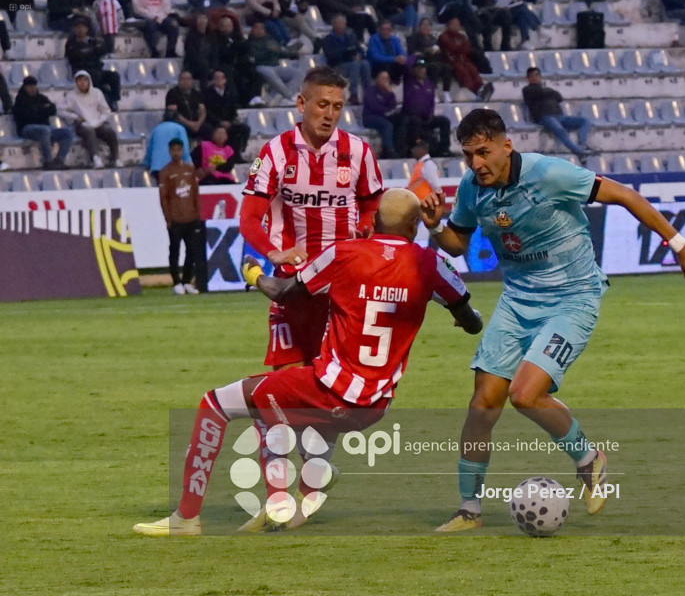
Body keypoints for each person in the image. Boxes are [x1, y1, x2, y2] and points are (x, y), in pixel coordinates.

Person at [132, 187, 483, 536]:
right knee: (279, 410)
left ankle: (189, 518)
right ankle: (299, 496)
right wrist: (458, 314)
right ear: (414, 228)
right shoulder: (431, 264)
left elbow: (282, 292)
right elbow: (472, 322)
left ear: (374, 221)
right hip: (375, 406)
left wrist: (253, 274)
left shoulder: (344, 253)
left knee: (218, 404)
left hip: (328, 388)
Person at [419, 109, 685, 532]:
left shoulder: (549, 174)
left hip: (572, 297)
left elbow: (625, 195)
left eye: (483, 152)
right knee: (482, 404)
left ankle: (590, 459)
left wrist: (679, 244)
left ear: (505, 145)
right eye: (468, 155)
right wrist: (436, 226)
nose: (477, 163)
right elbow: (457, 245)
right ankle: (469, 510)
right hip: (517, 301)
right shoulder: (470, 187)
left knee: (525, 394)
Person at [239, 65, 384, 371]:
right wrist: (273, 253)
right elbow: (249, 218)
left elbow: (373, 204)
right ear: (302, 104)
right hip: (292, 284)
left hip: (343, 284)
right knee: (287, 381)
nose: (329, 115)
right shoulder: (275, 153)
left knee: (340, 381)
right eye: (322, 105)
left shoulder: (358, 152)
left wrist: (365, 226)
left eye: (337, 107)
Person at [158, 137, 207, 295]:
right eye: (173, 150)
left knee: (192, 250)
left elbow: (195, 194)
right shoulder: (165, 171)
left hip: (191, 218)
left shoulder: (189, 169)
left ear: (182, 151)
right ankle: (176, 282)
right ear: (170, 151)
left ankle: (187, 281)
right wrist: (168, 218)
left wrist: (197, 214)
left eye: (179, 149)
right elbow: (163, 198)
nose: (176, 153)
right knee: (175, 250)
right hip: (175, 218)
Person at [522, 67, 593, 164]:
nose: (535, 77)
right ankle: (580, 153)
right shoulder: (527, 90)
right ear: (528, 78)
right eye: (532, 75)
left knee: (585, 121)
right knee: (561, 131)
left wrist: (546, 93)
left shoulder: (547, 90)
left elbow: (559, 97)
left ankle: (582, 145)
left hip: (559, 116)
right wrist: (547, 93)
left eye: (537, 75)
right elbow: (543, 93)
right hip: (544, 116)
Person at [61, 70, 121, 169]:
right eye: (79, 81)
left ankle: (115, 158)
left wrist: (99, 120)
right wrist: (75, 117)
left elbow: (106, 111)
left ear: (89, 81)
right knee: (89, 131)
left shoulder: (97, 93)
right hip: (83, 123)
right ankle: (95, 158)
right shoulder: (71, 95)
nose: (82, 83)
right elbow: (61, 110)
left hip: (98, 122)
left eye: (85, 80)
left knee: (110, 132)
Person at [12, 76, 74, 170]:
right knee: (44, 131)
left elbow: (52, 109)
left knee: (67, 132)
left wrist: (38, 111)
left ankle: (60, 160)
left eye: (34, 86)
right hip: (27, 128)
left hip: (46, 127)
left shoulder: (41, 98)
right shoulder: (20, 100)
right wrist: (43, 110)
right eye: (29, 87)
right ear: (25, 87)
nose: (32, 89)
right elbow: (27, 116)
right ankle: (48, 162)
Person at [65, 15, 122, 112]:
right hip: (81, 71)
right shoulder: (71, 43)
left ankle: (113, 100)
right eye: (78, 27)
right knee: (94, 77)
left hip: (96, 69)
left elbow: (102, 50)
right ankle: (104, 97)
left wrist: (90, 48)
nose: (80, 29)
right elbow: (76, 56)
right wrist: (91, 50)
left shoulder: (92, 41)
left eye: (83, 27)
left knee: (114, 76)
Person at [402, 60, 453, 158]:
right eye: (418, 68)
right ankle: (412, 149)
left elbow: (431, 103)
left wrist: (430, 114)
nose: (420, 70)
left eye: (422, 67)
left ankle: (444, 149)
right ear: (413, 70)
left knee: (444, 121)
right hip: (413, 116)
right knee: (414, 121)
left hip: (427, 117)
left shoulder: (429, 84)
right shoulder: (408, 82)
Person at [244, 21, 302, 107]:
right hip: (261, 66)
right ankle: (289, 96)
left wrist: (293, 53)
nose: (259, 30)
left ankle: (286, 96)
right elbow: (254, 57)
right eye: (256, 27)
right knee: (272, 75)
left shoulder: (271, 40)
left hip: (276, 66)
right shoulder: (249, 43)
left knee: (298, 73)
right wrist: (269, 51)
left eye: (261, 28)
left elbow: (281, 52)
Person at [438, 16, 494, 103]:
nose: (456, 26)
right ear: (448, 25)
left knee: (473, 70)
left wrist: (460, 48)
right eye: (453, 24)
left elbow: (467, 48)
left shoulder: (461, 36)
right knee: (463, 72)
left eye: (457, 24)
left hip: (464, 59)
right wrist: (461, 47)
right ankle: (476, 91)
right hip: (453, 61)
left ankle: (482, 88)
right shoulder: (444, 36)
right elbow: (452, 47)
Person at [321, 14, 371, 105]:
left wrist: (359, 54)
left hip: (352, 63)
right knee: (355, 64)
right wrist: (347, 53)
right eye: (337, 23)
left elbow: (359, 49)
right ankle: (353, 94)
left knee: (365, 63)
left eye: (342, 23)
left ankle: (368, 94)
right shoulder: (327, 39)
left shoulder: (351, 36)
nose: (340, 25)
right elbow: (330, 56)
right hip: (337, 66)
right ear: (333, 24)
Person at [202, 68, 251, 159]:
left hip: (228, 121)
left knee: (244, 128)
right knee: (209, 129)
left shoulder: (230, 93)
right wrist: (220, 122)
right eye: (217, 78)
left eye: (221, 77)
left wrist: (232, 120)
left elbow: (233, 109)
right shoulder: (207, 93)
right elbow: (207, 111)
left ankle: (238, 153)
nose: (219, 80)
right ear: (213, 80)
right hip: (214, 122)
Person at [362, 70, 410, 159]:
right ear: (377, 79)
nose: (385, 80)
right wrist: (386, 111)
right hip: (370, 117)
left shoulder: (388, 93)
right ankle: (388, 149)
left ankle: (400, 149)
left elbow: (393, 105)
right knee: (387, 125)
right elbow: (373, 106)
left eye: (386, 78)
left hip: (385, 116)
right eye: (382, 78)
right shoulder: (371, 91)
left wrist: (390, 93)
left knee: (402, 122)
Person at [407, 17, 453, 104]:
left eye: (428, 25)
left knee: (447, 67)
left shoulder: (433, 39)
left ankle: (446, 91)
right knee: (434, 67)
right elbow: (412, 52)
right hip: (420, 61)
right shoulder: (413, 38)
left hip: (433, 59)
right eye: (424, 24)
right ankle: (433, 91)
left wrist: (438, 51)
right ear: (419, 26)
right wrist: (426, 51)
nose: (426, 27)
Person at [165, 70, 213, 141]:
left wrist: (198, 124)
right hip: (180, 123)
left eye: (188, 79)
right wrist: (189, 124)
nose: (186, 81)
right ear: (179, 81)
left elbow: (202, 111)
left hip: (196, 123)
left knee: (209, 129)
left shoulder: (196, 94)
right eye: (183, 79)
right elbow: (174, 113)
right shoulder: (172, 93)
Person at [142, 113, 191, 180]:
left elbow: (150, 149)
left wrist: (147, 163)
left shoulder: (156, 129)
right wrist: (189, 164)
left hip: (158, 167)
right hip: (175, 165)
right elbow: (184, 149)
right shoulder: (180, 128)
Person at [366, 20, 408, 85]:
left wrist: (402, 58)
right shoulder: (374, 39)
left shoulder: (395, 39)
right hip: (377, 66)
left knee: (406, 66)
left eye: (388, 29)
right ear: (379, 30)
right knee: (386, 66)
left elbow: (402, 52)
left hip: (393, 64)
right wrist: (393, 59)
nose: (386, 32)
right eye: (383, 29)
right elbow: (376, 57)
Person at [183, 12, 215, 86]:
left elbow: (215, 53)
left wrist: (213, 66)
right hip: (193, 66)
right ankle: (204, 92)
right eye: (200, 18)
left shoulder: (212, 36)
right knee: (204, 68)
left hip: (209, 66)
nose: (202, 20)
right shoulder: (190, 36)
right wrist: (204, 63)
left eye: (204, 18)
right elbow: (190, 54)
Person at [407, 137, 443, 202]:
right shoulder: (420, 164)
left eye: (415, 148)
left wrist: (439, 201)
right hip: (418, 201)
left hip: (424, 201)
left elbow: (434, 184)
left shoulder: (428, 164)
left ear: (422, 149)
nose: (412, 151)